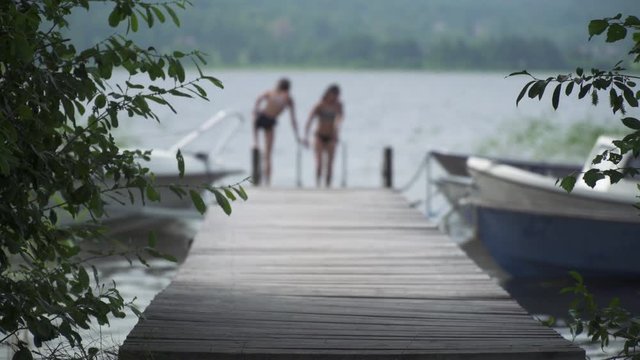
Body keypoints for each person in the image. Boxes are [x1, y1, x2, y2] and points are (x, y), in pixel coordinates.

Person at [253, 78, 300, 186]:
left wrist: (256, 109)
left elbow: (259, 99)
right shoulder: (282, 96)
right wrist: (296, 135)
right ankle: (267, 181)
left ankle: (267, 181)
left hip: (266, 119)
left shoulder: (275, 94)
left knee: (268, 154)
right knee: (268, 154)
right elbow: (293, 120)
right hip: (266, 119)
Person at [304, 84, 344, 188]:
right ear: (328, 94)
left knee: (330, 163)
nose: (335, 98)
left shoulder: (338, 105)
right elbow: (309, 120)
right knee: (319, 163)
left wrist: (337, 132)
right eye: (333, 95)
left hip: (331, 136)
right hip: (319, 136)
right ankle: (317, 184)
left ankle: (328, 185)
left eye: (337, 95)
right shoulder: (320, 105)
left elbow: (340, 119)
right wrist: (306, 137)